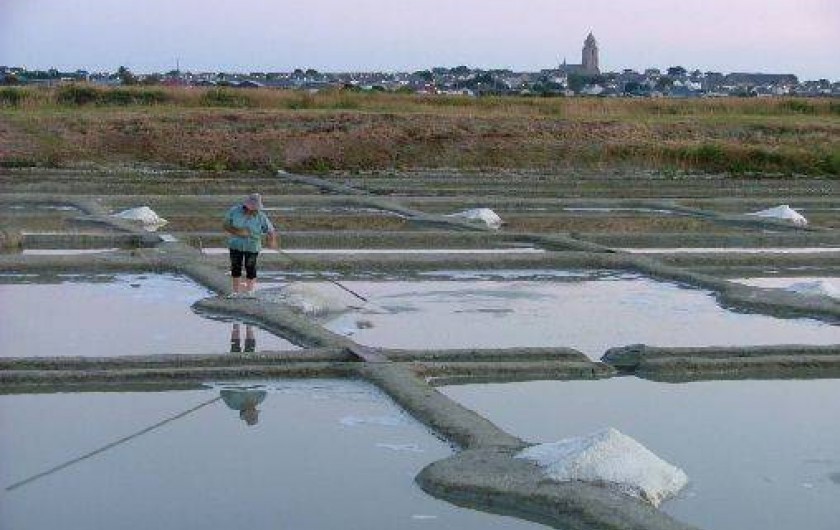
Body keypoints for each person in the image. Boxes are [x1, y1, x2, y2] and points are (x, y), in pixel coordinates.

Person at [223, 193, 278, 296]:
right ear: (246, 205)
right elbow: (226, 225)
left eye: (255, 208)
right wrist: (238, 231)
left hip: (253, 246)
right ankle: (235, 292)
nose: (253, 210)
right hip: (236, 245)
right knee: (235, 267)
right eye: (251, 208)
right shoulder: (234, 211)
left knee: (250, 267)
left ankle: (250, 291)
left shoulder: (261, 216)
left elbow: (270, 230)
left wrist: (272, 241)